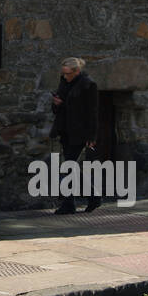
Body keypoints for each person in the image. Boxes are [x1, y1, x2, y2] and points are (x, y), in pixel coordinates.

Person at [49, 57, 101, 214]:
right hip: (65, 129)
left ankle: (69, 203)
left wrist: (92, 137)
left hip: (79, 132)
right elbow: (61, 105)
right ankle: (91, 197)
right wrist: (56, 103)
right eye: (63, 73)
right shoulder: (64, 82)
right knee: (71, 166)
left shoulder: (88, 85)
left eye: (68, 74)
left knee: (69, 166)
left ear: (77, 71)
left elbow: (92, 113)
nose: (65, 76)